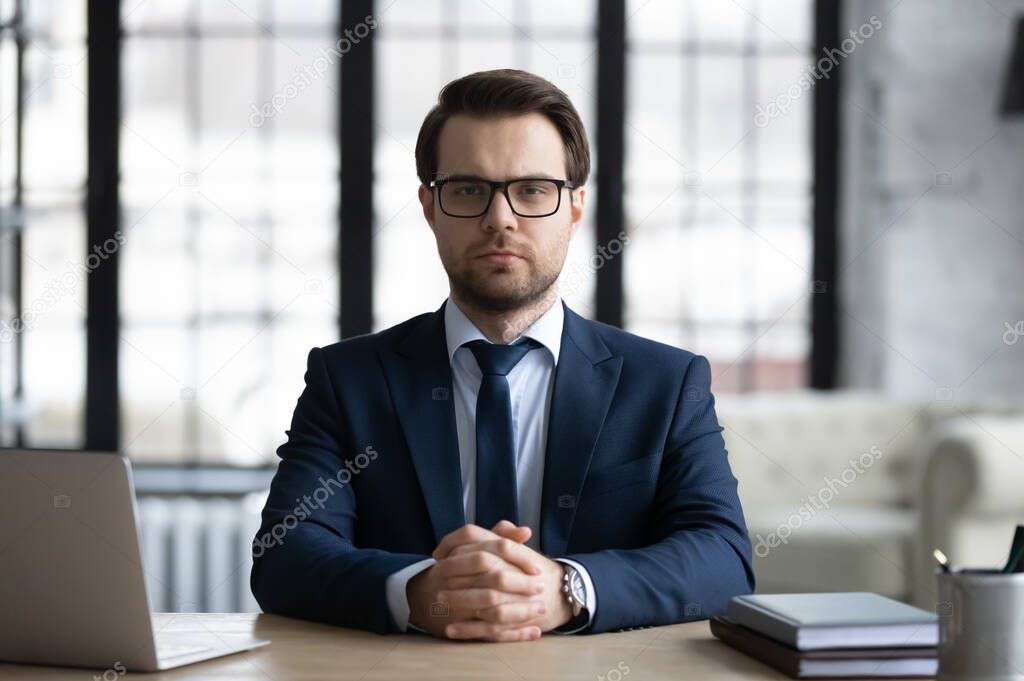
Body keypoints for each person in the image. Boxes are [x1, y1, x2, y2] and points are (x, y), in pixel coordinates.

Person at [251, 68, 754, 642]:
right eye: (468, 190)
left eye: (532, 190)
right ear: (428, 206)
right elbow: (285, 554)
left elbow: (723, 559)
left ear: (575, 207)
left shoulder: (664, 382)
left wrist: (566, 589)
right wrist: (419, 590)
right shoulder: (349, 380)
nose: (500, 219)